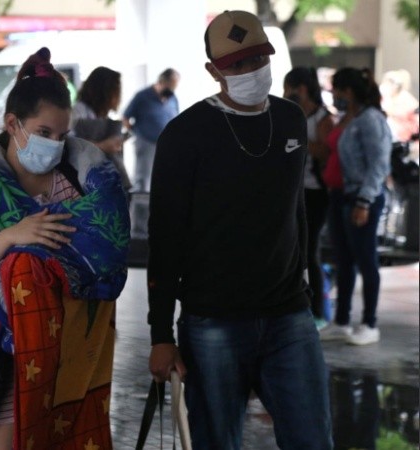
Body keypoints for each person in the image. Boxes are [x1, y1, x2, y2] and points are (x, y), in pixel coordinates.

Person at [146, 11, 332, 449]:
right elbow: (165, 238)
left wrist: (303, 279)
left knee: (313, 439)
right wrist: (160, 336)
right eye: (236, 65)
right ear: (214, 71)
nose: (251, 72)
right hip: (214, 322)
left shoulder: (290, 120)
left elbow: (295, 210)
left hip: (289, 317)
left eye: (257, 60)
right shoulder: (184, 135)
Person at [0, 47, 129, 450]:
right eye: (43, 133)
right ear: (13, 123)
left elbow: (107, 254)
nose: (54, 145)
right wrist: (9, 237)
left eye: (61, 136)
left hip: (74, 351)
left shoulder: (83, 186)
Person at [319, 67, 392, 346]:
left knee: (366, 260)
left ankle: (370, 323)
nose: (334, 96)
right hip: (342, 195)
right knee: (344, 260)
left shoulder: (371, 120)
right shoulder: (353, 118)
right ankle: (342, 320)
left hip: (362, 199)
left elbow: (378, 164)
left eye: (336, 90)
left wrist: (364, 201)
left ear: (347, 91)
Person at [283, 67, 335, 329]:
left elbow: (326, 152)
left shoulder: (323, 118)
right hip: (294, 190)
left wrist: (297, 140)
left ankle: (318, 310)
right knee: (292, 249)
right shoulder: (290, 114)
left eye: (288, 89)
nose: (284, 95)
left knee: (310, 249)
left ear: (301, 89)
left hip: (316, 194)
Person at [70, 66, 132, 191]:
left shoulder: (100, 114)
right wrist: (103, 146)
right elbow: (70, 144)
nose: (118, 96)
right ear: (104, 90)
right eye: (116, 90)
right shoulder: (78, 111)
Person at [122, 68, 180, 192]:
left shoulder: (173, 98)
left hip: (166, 145)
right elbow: (125, 117)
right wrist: (136, 133)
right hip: (146, 143)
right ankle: (141, 210)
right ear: (162, 81)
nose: (173, 90)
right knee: (143, 180)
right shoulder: (142, 96)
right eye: (171, 86)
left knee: (166, 178)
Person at [380, 69, 419, 143]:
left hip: (403, 139)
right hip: (388, 137)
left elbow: (415, 123)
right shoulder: (385, 98)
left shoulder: (408, 100)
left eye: (388, 83)